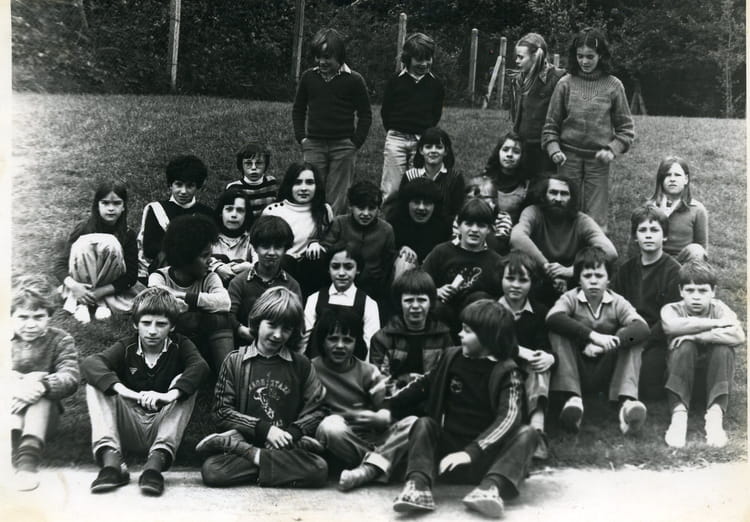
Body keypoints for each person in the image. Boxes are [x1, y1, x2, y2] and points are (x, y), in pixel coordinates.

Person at [389, 299, 538, 518]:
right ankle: (418, 487)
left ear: (488, 337)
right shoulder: (451, 357)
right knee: (424, 424)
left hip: (486, 460)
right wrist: (386, 404)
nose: (459, 334)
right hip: (447, 459)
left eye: (467, 331)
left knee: (528, 433)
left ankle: (490, 489)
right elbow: (423, 385)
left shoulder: (508, 372)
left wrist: (471, 452)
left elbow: (508, 418)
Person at [196, 287, 329, 489]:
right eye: (272, 325)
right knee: (212, 471)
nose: (278, 335)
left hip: (285, 443)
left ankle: (259, 461)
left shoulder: (301, 364)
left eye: (286, 329)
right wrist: (264, 430)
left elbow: (318, 409)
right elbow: (221, 412)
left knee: (319, 469)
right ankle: (266, 462)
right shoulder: (235, 361)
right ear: (258, 322)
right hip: (247, 443)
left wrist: (292, 433)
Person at [82, 287, 210, 496]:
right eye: (146, 323)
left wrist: (168, 396)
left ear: (172, 326)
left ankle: (155, 465)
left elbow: (200, 367)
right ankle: (112, 463)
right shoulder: (127, 346)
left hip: (162, 425)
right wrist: (126, 392)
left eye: (161, 324)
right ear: (135, 324)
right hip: (129, 425)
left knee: (185, 383)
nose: (152, 331)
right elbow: (91, 363)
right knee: (96, 382)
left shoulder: (181, 345)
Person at [311, 308, 418, 491]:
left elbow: (387, 406)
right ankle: (384, 464)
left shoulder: (368, 372)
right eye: (333, 339)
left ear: (356, 343)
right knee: (330, 426)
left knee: (414, 423)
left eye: (347, 340)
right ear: (322, 340)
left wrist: (380, 417)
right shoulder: (311, 369)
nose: (340, 346)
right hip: (338, 442)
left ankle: (369, 469)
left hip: (369, 439)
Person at [546, 247, 650, 435]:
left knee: (630, 336)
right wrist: (591, 337)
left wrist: (609, 343)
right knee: (558, 331)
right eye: (587, 276)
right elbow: (552, 319)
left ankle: (626, 403)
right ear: (578, 279)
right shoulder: (570, 298)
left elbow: (642, 327)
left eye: (599, 275)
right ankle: (572, 400)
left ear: (608, 279)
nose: (593, 281)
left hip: (607, 370)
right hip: (577, 368)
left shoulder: (617, 301)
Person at [542, 27, 635, 232]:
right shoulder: (565, 84)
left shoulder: (614, 86)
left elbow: (626, 130)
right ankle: (563, 243)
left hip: (598, 160)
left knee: (596, 218)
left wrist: (611, 150)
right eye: (580, 56)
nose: (584, 61)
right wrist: (554, 150)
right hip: (567, 158)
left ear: (601, 56)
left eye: (590, 56)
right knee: (564, 208)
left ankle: (594, 248)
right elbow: (550, 127)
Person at [661, 261, 744, 448]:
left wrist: (699, 336)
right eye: (690, 290)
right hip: (679, 379)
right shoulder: (671, 309)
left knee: (723, 348)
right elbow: (671, 326)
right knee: (685, 345)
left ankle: (715, 416)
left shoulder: (720, 308)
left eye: (702, 291)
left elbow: (739, 335)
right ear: (681, 291)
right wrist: (717, 324)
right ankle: (679, 416)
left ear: (713, 292)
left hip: (713, 381)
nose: (696, 297)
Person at [292, 28, 372, 215]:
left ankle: (333, 228)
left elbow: (365, 114)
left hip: (343, 147)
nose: (322, 62)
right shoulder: (308, 77)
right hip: (314, 145)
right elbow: (298, 109)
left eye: (327, 57)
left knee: (338, 195)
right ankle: (312, 226)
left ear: (339, 56)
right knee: (312, 190)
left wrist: (355, 143)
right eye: (318, 57)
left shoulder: (354, 80)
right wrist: (302, 138)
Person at [11, 275, 80, 491]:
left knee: (41, 391)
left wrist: (42, 385)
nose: (30, 324)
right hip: (9, 410)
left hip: (42, 418)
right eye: (23, 317)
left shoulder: (60, 340)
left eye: (38, 317)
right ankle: (11, 444)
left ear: (49, 316)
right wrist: (15, 384)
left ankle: (27, 463)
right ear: (10, 315)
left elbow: (71, 376)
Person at [510, 173, 617, 305]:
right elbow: (516, 238)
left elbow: (610, 252)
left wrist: (572, 271)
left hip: (572, 281)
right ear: (543, 195)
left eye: (564, 194)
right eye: (553, 192)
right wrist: (547, 267)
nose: (558, 199)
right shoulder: (533, 212)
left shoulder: (581, 220)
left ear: (572, 198)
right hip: (537, 277)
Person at [148, 215, 233, 373]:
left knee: (221, 319)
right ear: (185, 257)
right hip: (173, 345)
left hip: (205, 343)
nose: (211, 261)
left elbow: (225, 302)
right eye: (204, 256)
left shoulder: (209, 277)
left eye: (210, 255)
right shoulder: (159, 277)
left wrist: (186, 298)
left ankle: (227, 377)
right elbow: (157, 296)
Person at [611, 205, 680, 399]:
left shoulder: (674, 271)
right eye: (642, 230)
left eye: (654, 230)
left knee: (648, 382)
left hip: (656, 338)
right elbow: (614, 303)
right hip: (629, 333)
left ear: (664, 236)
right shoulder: (627, 269)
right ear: (635, 237)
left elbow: (671, 316)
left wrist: (645, 341)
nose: (648, 235)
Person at [55, 181, 143, 323]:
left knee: (111, 243)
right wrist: (75, 286)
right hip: (80, 283)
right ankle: (83, 302)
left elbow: (131, 276)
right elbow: (60, 264)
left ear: (124, 207)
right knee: (85, 243)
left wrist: (99, 292)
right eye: (105, 203)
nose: (111, 208)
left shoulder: (127, 234)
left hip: (109, 286)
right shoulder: (83, 229)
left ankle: (97, 301)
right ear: (97, 205)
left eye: (117, 203)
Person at [498, 252, 554, 460]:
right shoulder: (491, 309)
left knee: (539, 364)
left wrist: (550, 357)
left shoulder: (539, 312)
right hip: (498, 367)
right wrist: (520, 351)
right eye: (509, 278)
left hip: (527, 372)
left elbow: (544, 346)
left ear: (532, 283)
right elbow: (489, 343)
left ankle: (537, 430)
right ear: (501, 279)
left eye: (523, 280)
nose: (515, 285)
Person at [380, 32, 444, 203]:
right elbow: (386, 111)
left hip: (421, 141)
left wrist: (424, 133)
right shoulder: (395, 81)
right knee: (392, 188)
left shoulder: (435, 84)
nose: (424, 64)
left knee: (417, 186)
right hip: (396, 139)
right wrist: (395, 130)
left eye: (428, 59)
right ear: (408, 59)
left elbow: (435, 113)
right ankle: (389, 217)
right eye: (419, 60)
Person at [423, 199, 505, 332]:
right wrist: (436, 292)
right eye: (469, 224)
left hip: (475, 325)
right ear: (459, 225)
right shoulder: (441, 252)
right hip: (443, 320)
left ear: (489, 229)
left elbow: (501, 299)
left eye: (481, 225)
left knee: (480, 299)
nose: (474, 230)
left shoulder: (496, 261)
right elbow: (419, 282)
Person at [370, 269, 452, 394]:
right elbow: (378, 382)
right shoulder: (382, 338)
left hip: (431, 399)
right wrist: (406, 383)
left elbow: (447, 377)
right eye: (408, 300)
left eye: (421, 300)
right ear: (399, 302)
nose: (415, 306)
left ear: (431, 302)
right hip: (394, 398)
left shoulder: (443, 336)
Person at [228, 215, 302, 345]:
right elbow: (229, 316)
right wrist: (241, 330)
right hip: (245, 345)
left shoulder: (292, 285)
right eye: (265, 246)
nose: (271, 252)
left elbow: (296, 324)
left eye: (278, 247)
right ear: (255, 247)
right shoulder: (239, 282)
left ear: (285, 249)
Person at [321, 180, 396, 309]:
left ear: (378, 209)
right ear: (351, 207)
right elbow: (326, 249)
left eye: (371, 208)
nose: (366, 214)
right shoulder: (340, 223)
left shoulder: (386, 230)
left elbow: (388, 262)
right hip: (341, 280)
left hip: (371, 286)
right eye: (361, 208)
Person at [137, 155, 213, 282]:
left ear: (197, 186)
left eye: (190, 186)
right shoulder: (156, 210)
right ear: (170, 184)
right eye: (178, 184)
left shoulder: (206, 213)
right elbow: (149, 249)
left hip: (199, 275)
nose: (183, 191)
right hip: (164, 272)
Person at [263, 162, 333, 297]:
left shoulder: (324, 210)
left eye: (309, 182)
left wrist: (317, 243)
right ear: (289, 185)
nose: (304, 188)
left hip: (311, 271)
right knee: (285, 260)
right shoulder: (273, 211)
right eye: (298, 183)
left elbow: (331, 240)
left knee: (318, 256)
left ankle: (315, 302)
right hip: (283, 269)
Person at [302, 243, 380, 358]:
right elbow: (303, 341)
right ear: (328, 269)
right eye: (335, 267)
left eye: (348, 267)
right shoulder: (314, 299)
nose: (341, 273)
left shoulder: (368, 304)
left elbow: (371, 346)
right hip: (317, 366)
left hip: (353, 367)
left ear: (358, 269)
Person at [509, 32, 566, 177]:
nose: (517, 61)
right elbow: (519, 113)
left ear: (535, 57)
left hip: (545, 148)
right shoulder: (520, 78)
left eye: (521, 57)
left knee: (543, 183)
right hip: (523, 143)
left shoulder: (557, 79)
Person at [388, 127, 465, 224]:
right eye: (428, 147)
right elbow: (402, 208)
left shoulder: (455, 177)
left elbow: (457, 211)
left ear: (446, 151)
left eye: (439, 147)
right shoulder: (410, 176)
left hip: (444, 227)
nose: (433, 151)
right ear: (421, 150)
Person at [646, 156, 708, 263]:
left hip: (682, 264)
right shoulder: (649, 207)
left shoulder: (697, 209)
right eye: (667, 175)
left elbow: (702, 248)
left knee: (697, 250)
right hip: (655, 260)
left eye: (677, 175)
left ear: (686, 179)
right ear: (661, 179)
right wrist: (661, 217)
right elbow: (637, 244)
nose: (672, 179)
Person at [387, 177, 451, 280]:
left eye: (427, 203)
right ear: (407, 203)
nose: (421, 207)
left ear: (435, 206)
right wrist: (400, 250)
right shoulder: (394, 222)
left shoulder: (444, 225)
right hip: (402, 275)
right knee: (405, 259)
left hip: (433, 276)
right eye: (416, 202)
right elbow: (384, 256)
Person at [481, 131, 531, 224]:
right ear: (498, 152)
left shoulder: (525, 186)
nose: (509, 155)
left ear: (522, 156)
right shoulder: (484, 180)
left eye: (516, 152)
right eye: (505, 150)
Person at [209, 189, 255, 287]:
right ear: (221, 212)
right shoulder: (209, 237)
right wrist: (217, 267)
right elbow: (196, 259)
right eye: (229, 209)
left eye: (240, 210)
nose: (234, 215)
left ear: (246, 214)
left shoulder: (252, 239)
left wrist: (248, 268)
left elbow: (260, 264)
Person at [225, 141, 278, 219]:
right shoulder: (234, 188)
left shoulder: (272, 183)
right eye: (248, 163)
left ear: (265, 164)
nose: (253, 168)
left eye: (259, 163)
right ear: (241, 165)